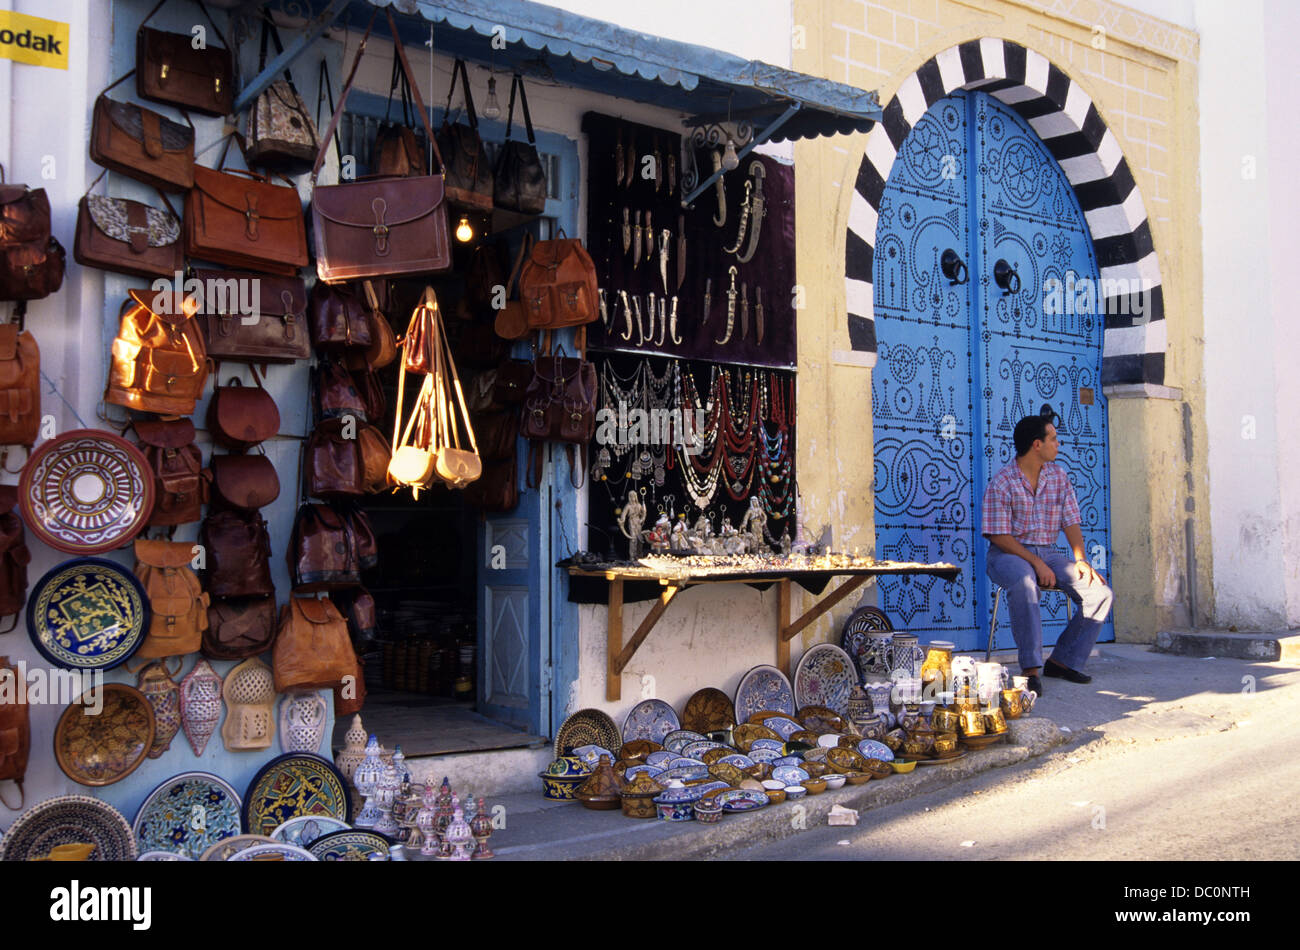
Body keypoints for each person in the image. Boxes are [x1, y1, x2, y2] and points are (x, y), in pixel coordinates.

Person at [981, 410, 1114, 697]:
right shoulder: (1003, 482)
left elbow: (1071, 521)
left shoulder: (1058, 476)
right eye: (1053, 438)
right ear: (1036, 445)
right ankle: (1030, 671)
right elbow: (999, 536)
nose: (1059, 444)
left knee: (1100, 592)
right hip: (1007, 554)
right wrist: (1036, 562)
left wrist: (1080, 559)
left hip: (1048, 554)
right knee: (1026, 583)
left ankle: (1063, 660)